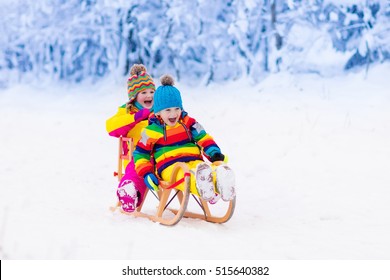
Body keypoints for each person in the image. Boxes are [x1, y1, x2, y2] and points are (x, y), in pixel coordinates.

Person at [133, 75, 235, 203]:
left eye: (177, 109)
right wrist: (147, 173)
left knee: (204, 170)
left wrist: (214, 152)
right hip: (170, 167)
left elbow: (203, 137)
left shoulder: (189, 123)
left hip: (194, 161)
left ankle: (222, 181)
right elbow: (140, 153)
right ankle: (205, 190)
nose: (173, 114)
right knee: (186, 176)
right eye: (168, 110)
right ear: (158, 112)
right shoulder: (150, 131)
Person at [106, 64, 155, 212]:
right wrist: (136, 117)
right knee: (139, 166)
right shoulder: (127, 111)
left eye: (152, 91)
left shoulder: (160, 109)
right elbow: (111, 127)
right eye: (144, 92)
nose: (149, 96)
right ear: (134, 96)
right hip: (138, 155)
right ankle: (129, 191)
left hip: (163, 153)